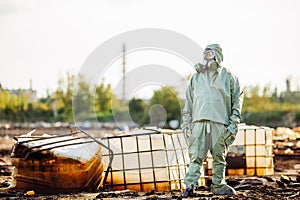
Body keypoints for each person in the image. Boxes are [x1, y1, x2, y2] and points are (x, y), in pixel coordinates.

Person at [181, 44, 244, 197]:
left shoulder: (229, 77)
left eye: (210, 53)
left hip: (220, 123)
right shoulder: (196, 77)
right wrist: (186, 122)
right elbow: (189, 101)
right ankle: (190, 186)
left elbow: (237, 101)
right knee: (195, 156)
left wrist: (234, 123)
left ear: (218, 55)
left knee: (219, 157)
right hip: (199, 122)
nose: (207, 57)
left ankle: (218, 185)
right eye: (205, 54)